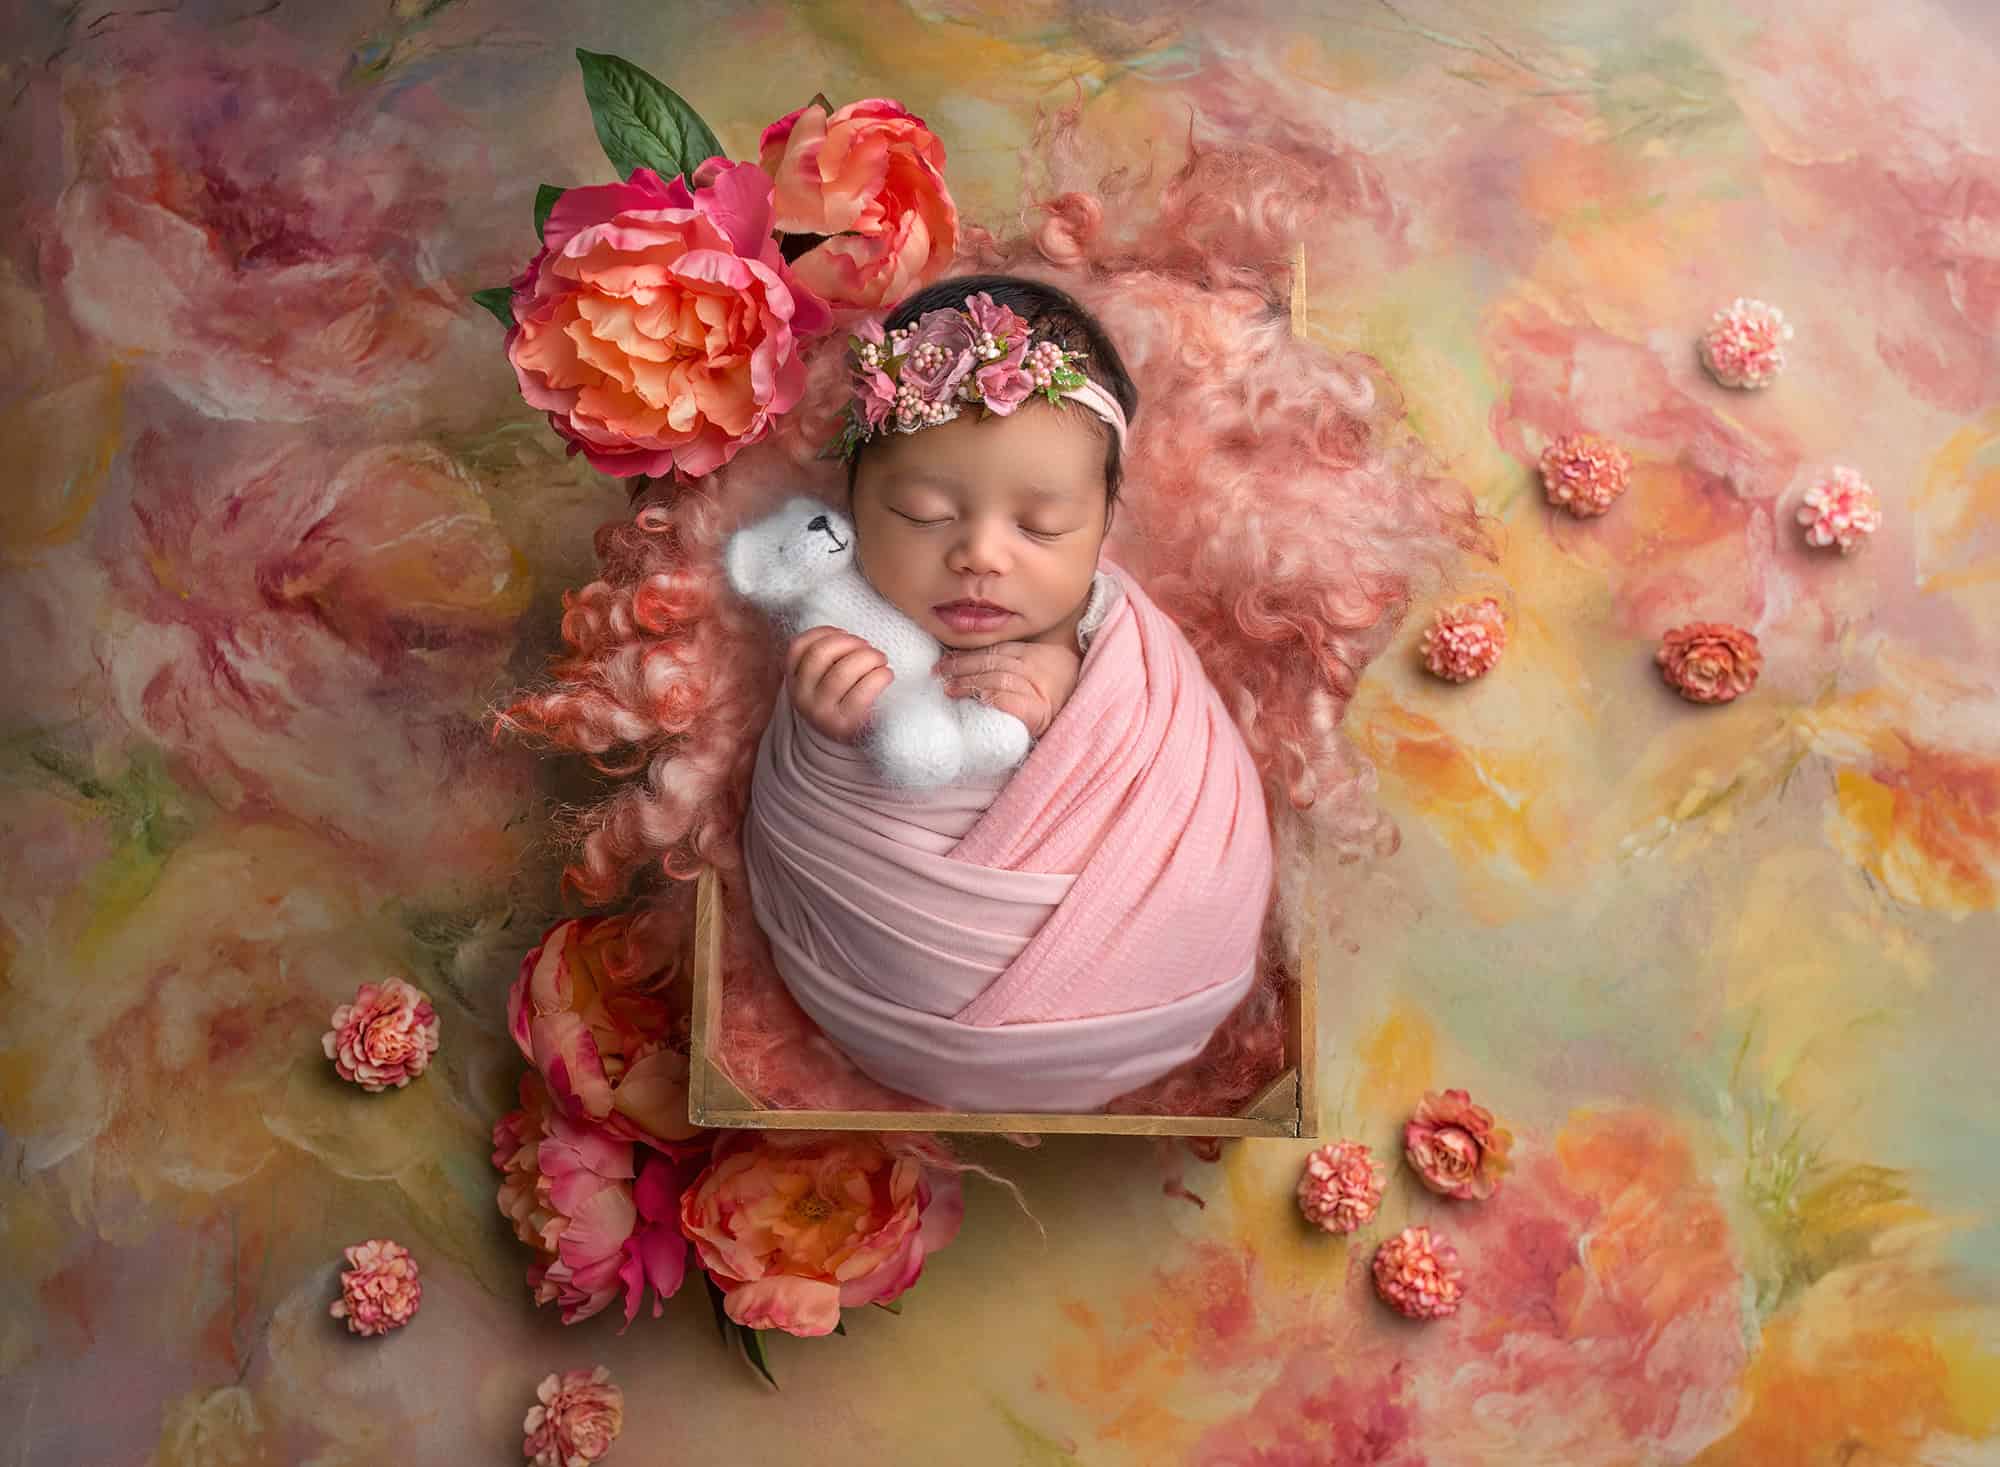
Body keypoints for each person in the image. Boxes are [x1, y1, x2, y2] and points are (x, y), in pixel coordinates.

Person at [737, 273, 1279, 1112]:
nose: (981, 555)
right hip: (882, 986)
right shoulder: (846, 618)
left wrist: (1074, 691)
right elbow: (801, 802)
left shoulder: (1116, 646)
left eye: (1042, 526)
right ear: (852, 505)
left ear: (1103, 524)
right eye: (921, 512)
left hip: (1166, 968)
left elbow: (1168, 757)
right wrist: (829, 724)